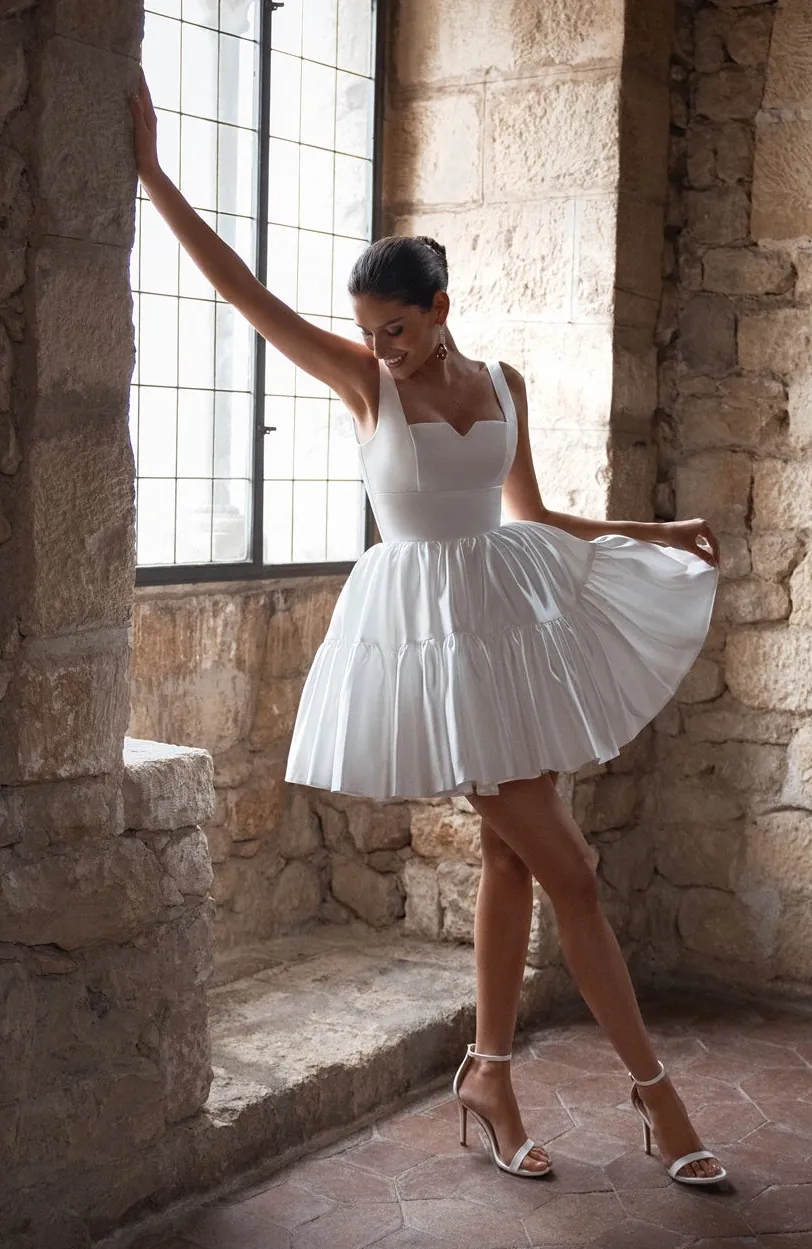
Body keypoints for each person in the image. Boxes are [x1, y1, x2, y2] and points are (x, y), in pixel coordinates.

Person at [131, 72, 726, 1186]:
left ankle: (488, 1076)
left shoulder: (501, 381)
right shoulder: (365, 385)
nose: (382, 346)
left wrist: (659, 529)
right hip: (428, 641)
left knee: (515, 854)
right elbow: (247, 297)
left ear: (439, 310)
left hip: (508, 619)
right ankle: (661, 1099)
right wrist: (157, 178)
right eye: (368, 331)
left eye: (395, 328)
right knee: (576, 874)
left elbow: (533, 515)